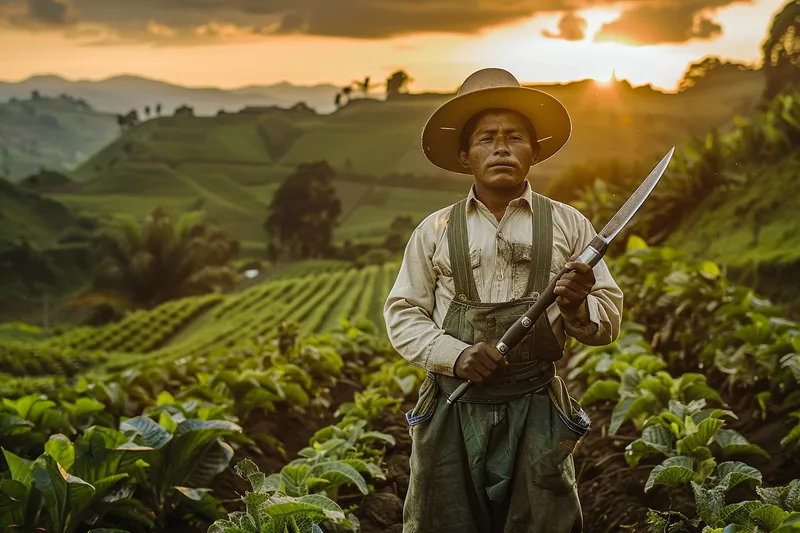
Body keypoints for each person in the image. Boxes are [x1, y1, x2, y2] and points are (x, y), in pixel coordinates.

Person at [383, 68, 624, 533]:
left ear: (533, 151)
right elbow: (403, 313)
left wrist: (576, 306)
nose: (501, 148)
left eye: (514, 137)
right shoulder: (435, 231)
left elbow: (608, 319)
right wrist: (455, 355)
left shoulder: (570, 225)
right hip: (452, 405)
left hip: (535, 405)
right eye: (487, 138)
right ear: (464, 154)